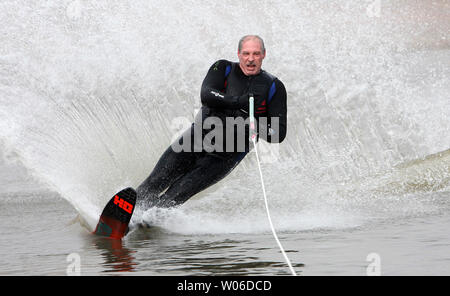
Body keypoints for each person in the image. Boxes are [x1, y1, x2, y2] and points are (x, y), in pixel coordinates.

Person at [136, 35, 287, 209]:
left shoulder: (274, 87)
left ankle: (147, 222)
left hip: (226, 156)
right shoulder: (223, 68)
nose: (251, 59)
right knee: (153, 183)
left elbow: (278, 133)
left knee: (176, 194)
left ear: (264, 55)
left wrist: (255, 125)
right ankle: (125, 215)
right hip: (196, 139)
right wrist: (238, 102)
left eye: (256, 53)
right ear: (238, 54)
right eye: (246, 53)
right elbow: (206, 94)